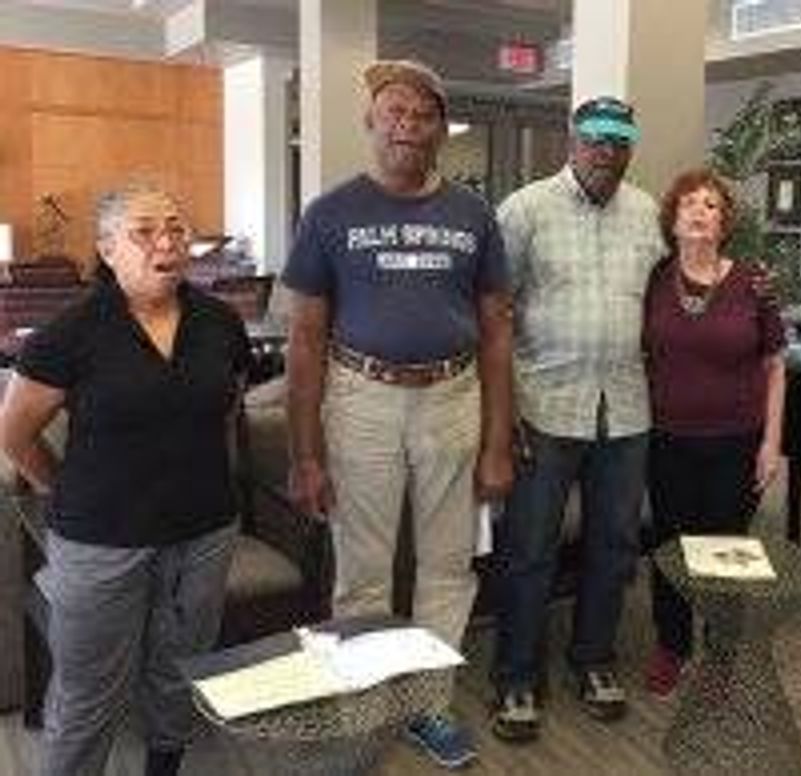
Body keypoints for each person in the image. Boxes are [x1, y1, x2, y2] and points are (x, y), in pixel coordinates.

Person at [282, 59, 513, 769]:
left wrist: (499, 440)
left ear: (442, 128)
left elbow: (498, 329)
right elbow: (305, 337)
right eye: (394, 112)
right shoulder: (330, 213)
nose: (408, 125)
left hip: (453, 396)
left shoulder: (473, 214)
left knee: (448, 569)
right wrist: (305, 453)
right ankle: (366, 702)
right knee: (364, 573)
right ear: (371, 123)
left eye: (423, 114)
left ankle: (426, 705)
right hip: (362, 401)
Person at [0, 183, 251, 776]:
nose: (166, 242)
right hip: (99, 541)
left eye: (176, 229)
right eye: (144, 231)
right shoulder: (70, 331)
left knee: (179, 672)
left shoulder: (218, 321)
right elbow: (14, 433)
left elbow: (228, 406)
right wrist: (56, 489)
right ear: (108, 248)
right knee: (89, 695)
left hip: (205, 530)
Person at [490, 96, 663, 742]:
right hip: (544, 407)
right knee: (529, 551)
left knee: (614, 549)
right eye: (595, 139)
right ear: (572, 140)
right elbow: (496, 315)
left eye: (619, 141)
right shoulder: (525, 209)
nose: (606, 152)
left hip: (624, 410)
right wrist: (502, 412)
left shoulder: (647, 212)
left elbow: (673, 295)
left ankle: (593, 659)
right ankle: (515, 674)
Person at [641, 169, 786, 697]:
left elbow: (775, 365)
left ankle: (721, 653)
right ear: (673, 220)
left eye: (712, 206)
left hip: (736, 440)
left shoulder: (753, 283)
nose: (700, 212)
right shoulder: (655, 278)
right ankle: (671, 646)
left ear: (724, 223)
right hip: (667, 438)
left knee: (725, 552)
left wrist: (772, 443)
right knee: (671, 546)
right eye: (689, 205)